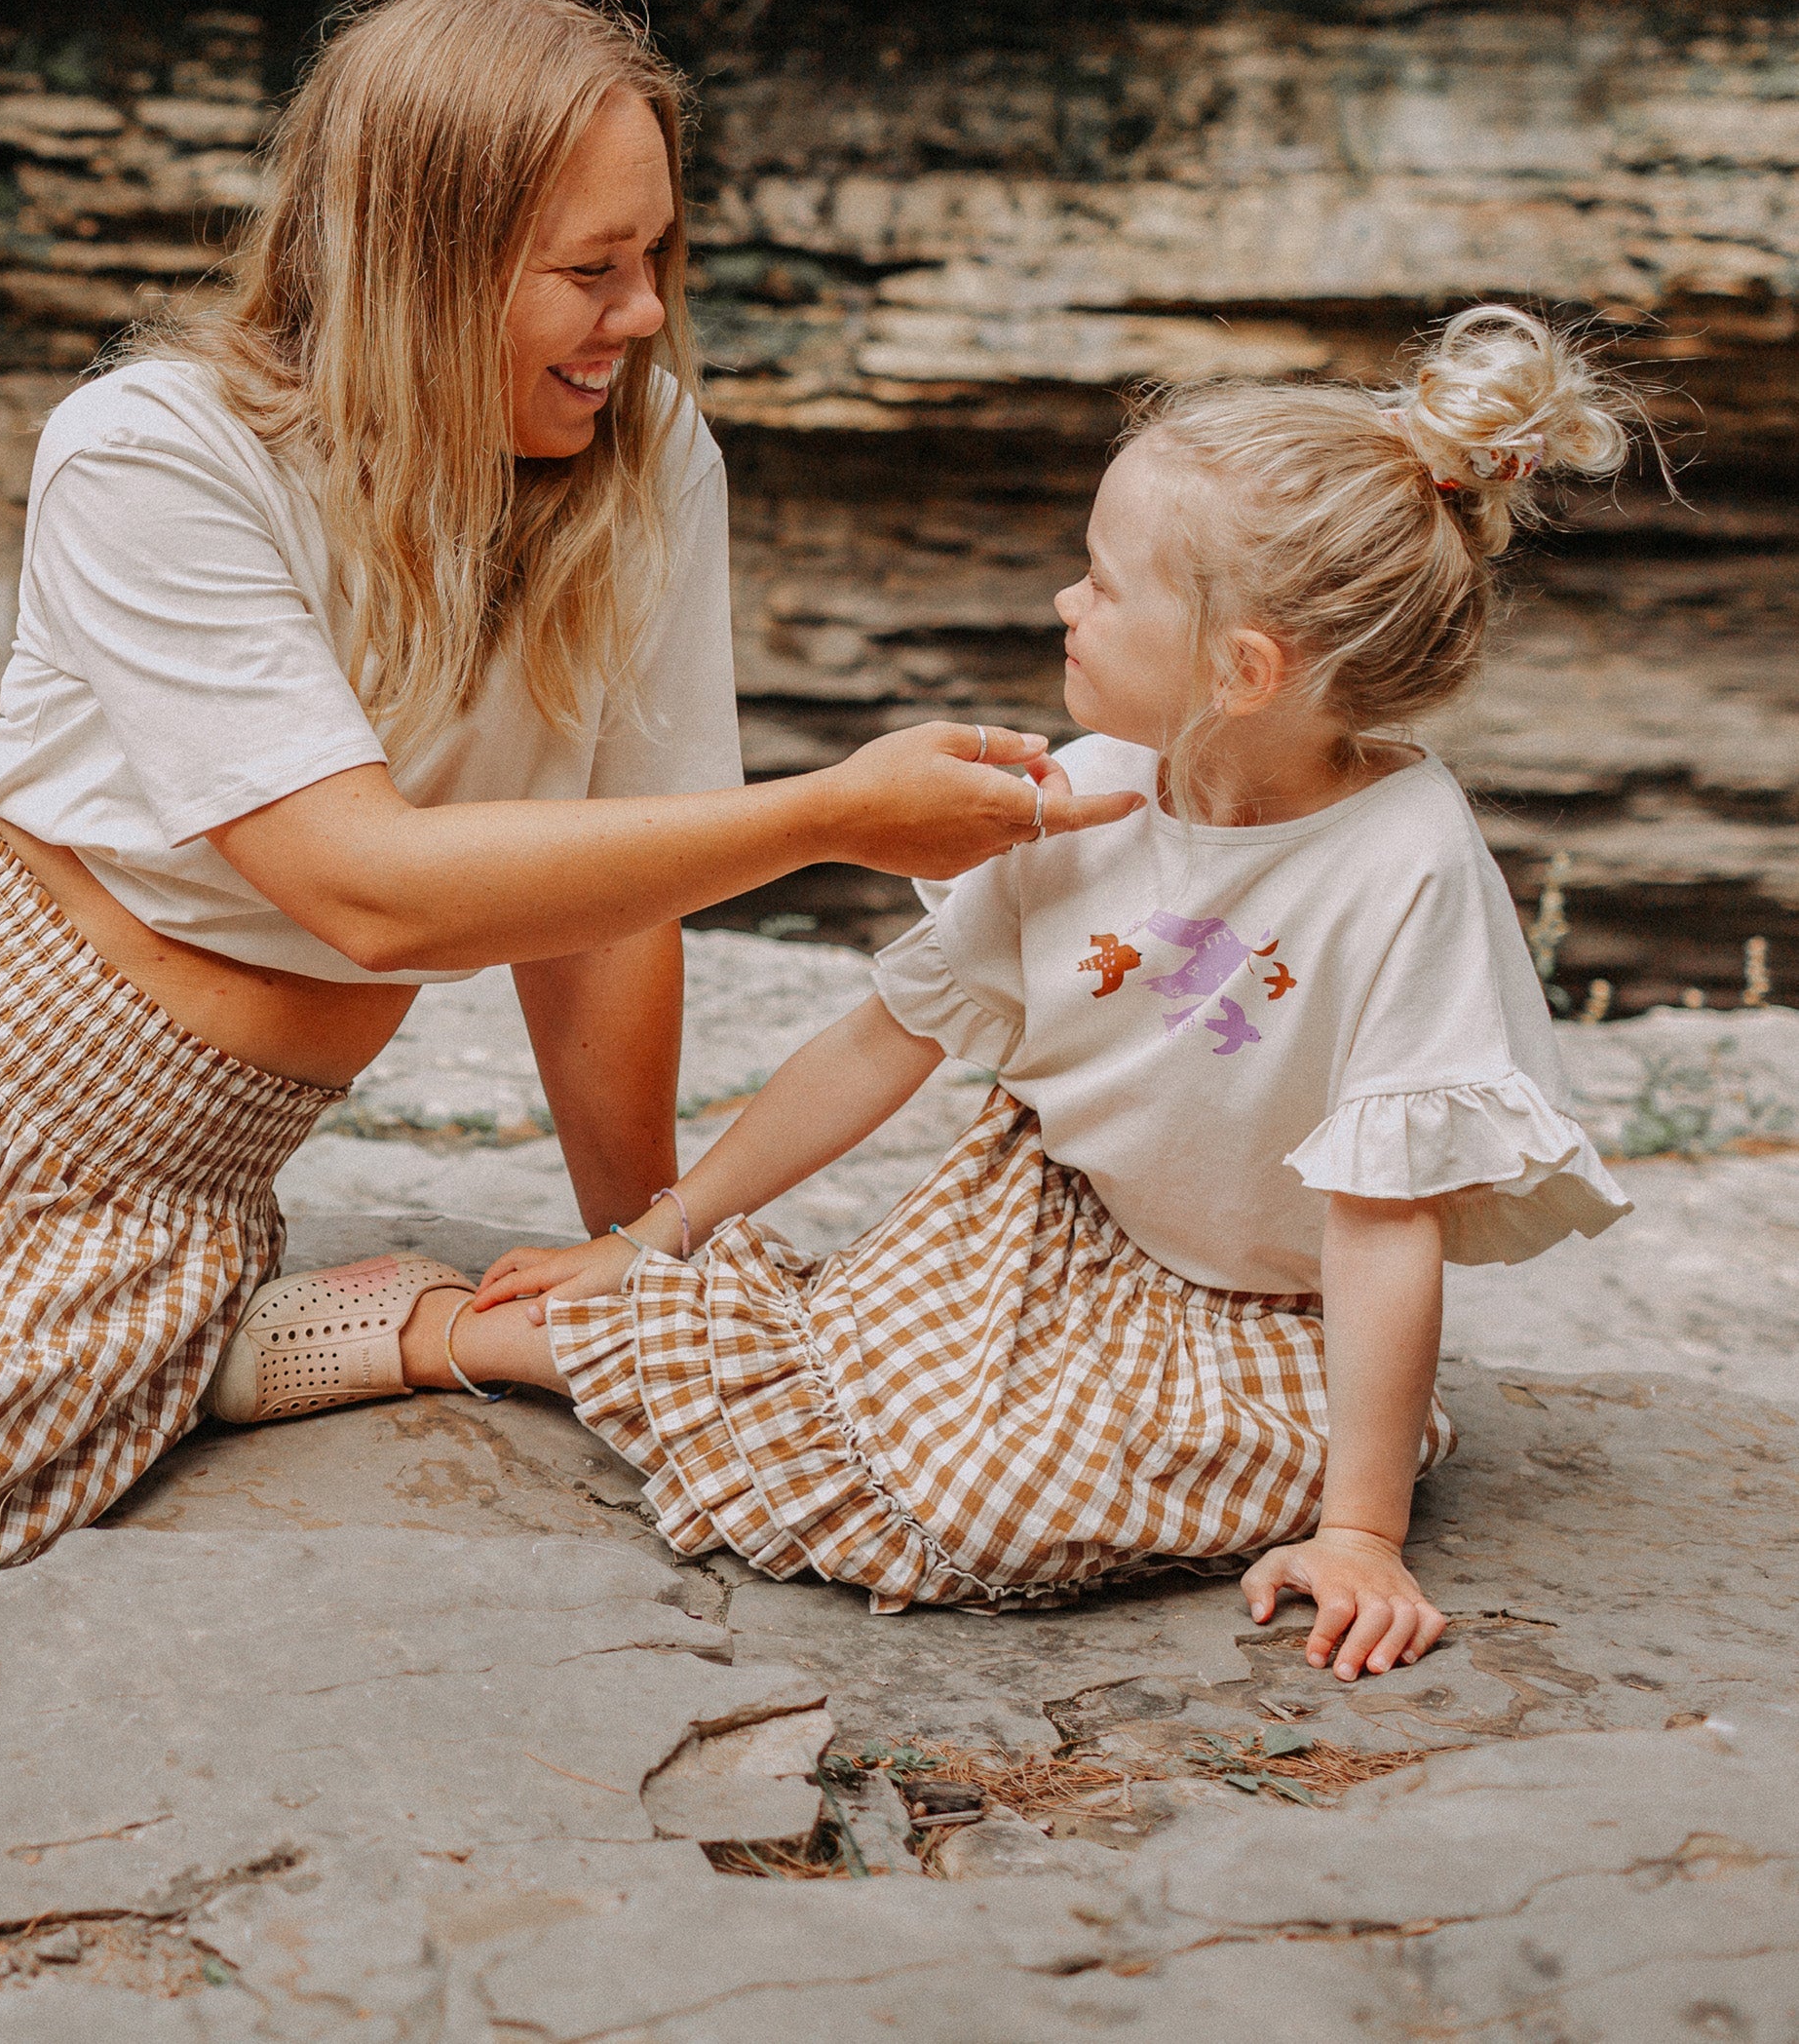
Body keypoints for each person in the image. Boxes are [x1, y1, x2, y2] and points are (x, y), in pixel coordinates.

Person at [0, 0, 1134, 1634]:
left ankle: (352, 1331)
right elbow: (364, 889)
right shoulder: (158, 450)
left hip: (142, 1200)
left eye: (656, 255)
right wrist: (830, 813)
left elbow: (604, 909)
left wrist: (633, 1251)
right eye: (591, 270)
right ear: (427, 262)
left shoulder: (646, 454)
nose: (643, 314)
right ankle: (325, 1340)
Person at [231, 303, 1638, 1686]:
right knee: (840, 1374)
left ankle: (548, 1347)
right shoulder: (1079, 798)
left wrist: (1362, 1530)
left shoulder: (1401, 862)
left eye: (1104, 584)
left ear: (1242, 669)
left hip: (1269, 1309)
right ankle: (465, 1334)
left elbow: (1385, 1220)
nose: (1064, 605)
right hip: (1041, 1227)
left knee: (1006, 1505)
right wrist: (655, 1232)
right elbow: (880, 1041)